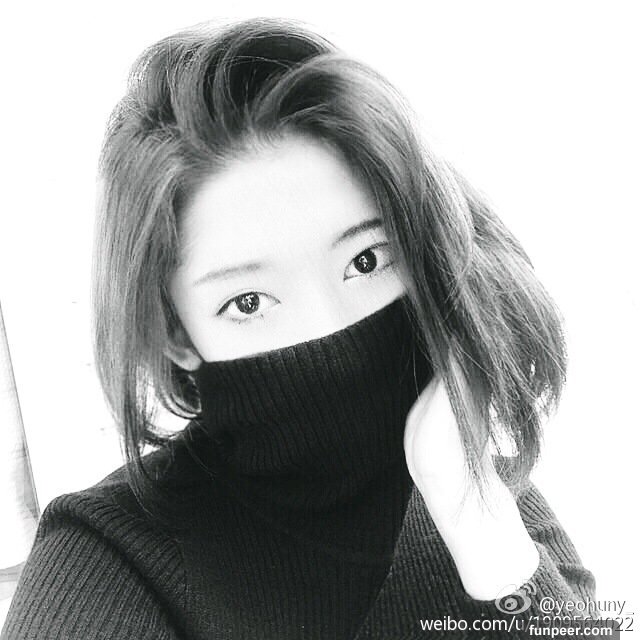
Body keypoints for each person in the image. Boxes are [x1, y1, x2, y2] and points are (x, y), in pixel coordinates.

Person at [2, 16, 598, 640]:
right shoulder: (105, 555)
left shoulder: (497, 494)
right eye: (249, 301)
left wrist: (481, 531)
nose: (329, 327)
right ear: (176, 334)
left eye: (365, 261)